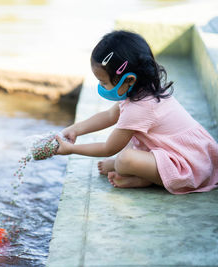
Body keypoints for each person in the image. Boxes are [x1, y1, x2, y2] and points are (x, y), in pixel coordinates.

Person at [56, 30, 218, 194]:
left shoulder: (139, 109)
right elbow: (110, 116)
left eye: (103, 82)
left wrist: (71, 149)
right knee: (129, 137)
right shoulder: (142, 91)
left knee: (124, 161)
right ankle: (142, 172)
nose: (101, 86)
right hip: (177, 150)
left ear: (129, 79)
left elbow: (107, 148)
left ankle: (145, 180)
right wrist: (76, 129)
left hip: (190, 165)